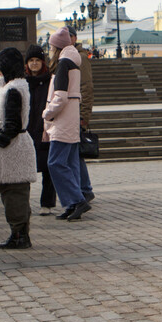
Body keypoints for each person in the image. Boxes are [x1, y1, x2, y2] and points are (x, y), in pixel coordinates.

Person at [0, 48, 37, 249]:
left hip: (11, 151)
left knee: (14, 194)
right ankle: (19, 233)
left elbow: (12, 122)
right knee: (15, 193)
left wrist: (1, 141)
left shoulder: (12, 90)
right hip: (13, 149)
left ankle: (19, 235)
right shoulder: (12, 87)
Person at [44, 27, 89, 221]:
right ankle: (73, 204)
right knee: (70, 162)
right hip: (71, 118)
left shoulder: (63, 64)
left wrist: (47, 113)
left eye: (50, 46)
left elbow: (60, 97)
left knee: (55, 162)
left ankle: (76, 200)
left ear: (56, 46)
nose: (49, 50)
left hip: (62, 121)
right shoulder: (73, 62)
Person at [25, 44, 56, 214]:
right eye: (31, 60)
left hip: (45, 129)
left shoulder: (50, 80)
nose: (34, 63)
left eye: (37, 60)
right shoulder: (23, 82)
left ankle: (47, 204)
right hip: (28, 129)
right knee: (25, 169)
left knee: (47, 168)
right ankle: (25, 204)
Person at [67, 27, 96, 204]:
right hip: (67, 113)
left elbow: (86, 87)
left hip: (76, 113)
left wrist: (84, 114)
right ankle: (83, 188)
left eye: (69, 36)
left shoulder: (81, 58)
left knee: (76, 153)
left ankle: (85, 188)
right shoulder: (63, 57)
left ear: (75, 38)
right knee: (73, 152)